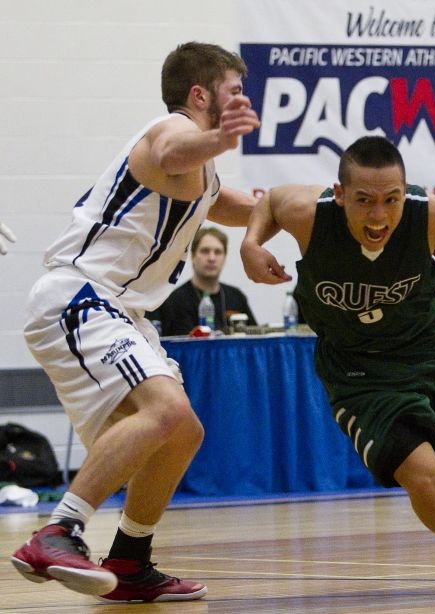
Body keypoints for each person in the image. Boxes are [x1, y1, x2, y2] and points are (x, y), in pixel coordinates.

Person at [11, 42, 260, 603]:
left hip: (117, 309)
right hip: (80, 296)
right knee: (165, 409)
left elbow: (234, 205)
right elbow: (174, 151)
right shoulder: (167, 132)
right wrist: (222, 137)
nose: (243, 98)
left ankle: (129, 560)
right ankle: (59, 531)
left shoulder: (203, 170)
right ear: (200, 96)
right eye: (234, 90)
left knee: (183, 429)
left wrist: (317, 209)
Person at [240, 136, 435, 593]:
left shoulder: (425, 214)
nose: (379, 216)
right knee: (420, 476)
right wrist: (251, 243)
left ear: (405, 192)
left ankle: (434, 447)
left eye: (390, 200)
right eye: (364, 201)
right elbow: (273, 202)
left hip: (431, 347)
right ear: (339, 196)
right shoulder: (310, 216)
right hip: (358, 369)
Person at [147, 226, 257, 335]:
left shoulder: (236, 297)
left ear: (224, 257)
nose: (211, 258)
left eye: (218, 252)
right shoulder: (173, 301)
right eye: (205, 251)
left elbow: (256, 338)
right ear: (193, 256)